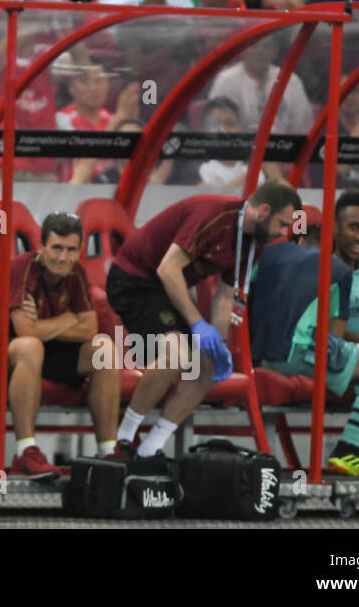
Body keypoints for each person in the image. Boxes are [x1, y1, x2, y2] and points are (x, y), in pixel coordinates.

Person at [108, 180, 301, 457]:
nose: (283, 233)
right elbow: (167, 269)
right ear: (264, 210)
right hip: (135, 280)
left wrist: (218, 342)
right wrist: (198, 324)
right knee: (176, 354)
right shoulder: (214, 215)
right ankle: (123, 439)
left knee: (207, 362)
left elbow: (224, 296)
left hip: (166, 290)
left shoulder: (253, 244)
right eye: (282, 224)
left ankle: (150, 449)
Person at [0, 212, 122, 478]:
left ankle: (108, 451)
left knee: (103, 350)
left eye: (71, 250)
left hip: (40, 350)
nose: (63, 257)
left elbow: (90, 328)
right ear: (41, 247)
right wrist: (69, 318)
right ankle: (26, 452)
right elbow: (27, 330)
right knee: (30, 345)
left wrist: (46, 325)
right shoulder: (22, 267)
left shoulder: (76, 272)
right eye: (57, 248)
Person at [249, 223, 359, 480]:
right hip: (297, 354)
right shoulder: (338, 270)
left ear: (298, 242)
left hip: (260, 357)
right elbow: (334, 337)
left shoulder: (267, 256)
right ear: (330, 252)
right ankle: (350, 446)